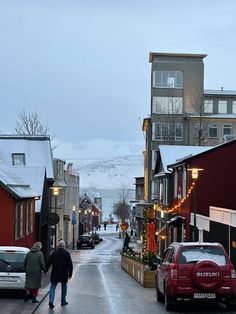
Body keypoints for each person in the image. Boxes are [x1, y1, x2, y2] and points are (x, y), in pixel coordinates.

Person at [46, 240, 73, 309]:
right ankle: (63, 301)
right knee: (64, 287)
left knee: (52, 287)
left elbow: (49, 262)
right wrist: (70, 274)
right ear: (64, 246)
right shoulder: (67, 254)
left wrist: (46, 270)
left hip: (55, 273)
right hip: (64, 274)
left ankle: (51, 301)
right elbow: (70, 265)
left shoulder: (54, 253)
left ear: (58, 246)